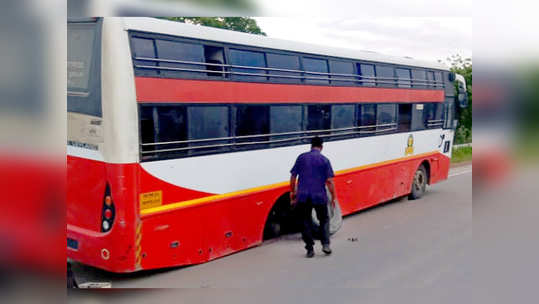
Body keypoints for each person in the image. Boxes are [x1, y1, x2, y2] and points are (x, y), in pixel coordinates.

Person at [290, 136, 337, 258]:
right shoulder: (324, 160)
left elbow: (293, 176)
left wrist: (292, 192)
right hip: (319, 196)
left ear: (311, 146)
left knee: (305, 221)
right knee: (324, 219)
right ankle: (325, 244)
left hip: (303, 196)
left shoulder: (301, 158)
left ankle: (310, 249)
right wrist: (333, 197)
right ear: (321, 147)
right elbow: (330, 181)